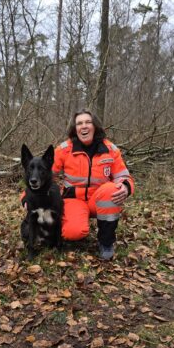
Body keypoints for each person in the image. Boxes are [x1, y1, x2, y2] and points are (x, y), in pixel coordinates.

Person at [46, 108, 135, 259]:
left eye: (88, 122)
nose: (84, 126)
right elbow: (43, 175)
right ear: (75, 128)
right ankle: (71, 224)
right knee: (73, 232)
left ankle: (106, 243)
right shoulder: (64, 150)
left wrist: (126, 187)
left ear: (95, 126)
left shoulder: (110, 149)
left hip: (99, 200)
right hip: (73, 199)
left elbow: (124, 176)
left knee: (111, 189)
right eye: (79, 123)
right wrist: (27, 198)